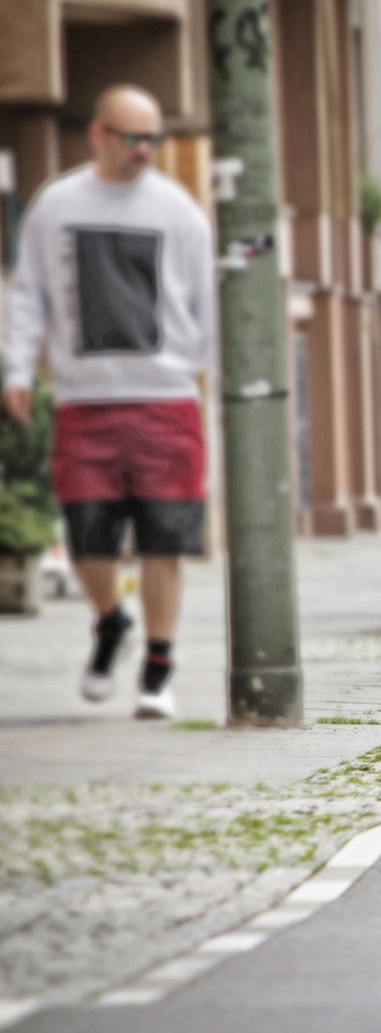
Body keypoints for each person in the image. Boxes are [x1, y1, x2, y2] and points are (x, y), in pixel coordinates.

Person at [2, 84, 216, 720]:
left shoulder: (179, 211)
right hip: (84, 401)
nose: (144, 151)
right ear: (99, 134)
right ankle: (110, 623)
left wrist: (195, 378)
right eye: (132, 137)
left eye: (153, 138)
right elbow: (29, 293)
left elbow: (205, 302)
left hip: (165, 400)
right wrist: (18, 369)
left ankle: (157, 666)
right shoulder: (57, 206)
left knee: (164, 540)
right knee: (89, 540)